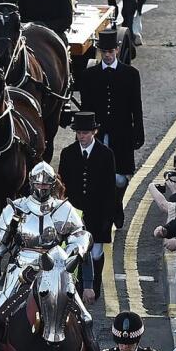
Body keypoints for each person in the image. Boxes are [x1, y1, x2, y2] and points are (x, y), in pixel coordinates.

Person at [0, 161, 95, 349]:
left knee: (85, 318)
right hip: (22, 269)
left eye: (46, 184)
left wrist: (75, 252)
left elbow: (81, 236)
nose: (42, 187)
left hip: (57, 269)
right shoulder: (15, 208)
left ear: (52, 184)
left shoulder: (63, 208)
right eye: (38, 184)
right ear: (31, 183)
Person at [57, 112, 120, 296]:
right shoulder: (67, 153)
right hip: (74, 214)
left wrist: (108, 218)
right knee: (75, 252)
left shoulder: (106, 155)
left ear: (94, 131)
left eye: (85, 133)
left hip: (98, 213)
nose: (81, 136)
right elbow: (62, 186)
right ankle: (77, 287)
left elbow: (110, 189)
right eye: (79, 133)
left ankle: (95, 285)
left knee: (95, 253)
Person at [76, 29, 145, 187]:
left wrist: (138, 132)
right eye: (104, 52)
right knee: (95, 176)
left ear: (117, 50)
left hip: (121, 134)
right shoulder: (88, 75)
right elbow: (85, 108)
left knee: (120, 180)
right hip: (98, 134)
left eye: (110, 51)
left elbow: (136, 106)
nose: (107, 55)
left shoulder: (131, 74)